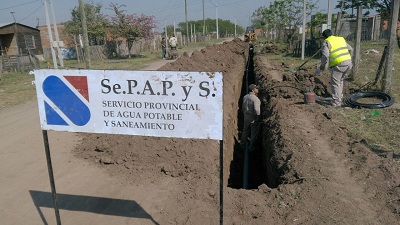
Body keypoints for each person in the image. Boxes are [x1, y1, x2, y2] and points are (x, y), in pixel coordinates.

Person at [316, 29, 353, 107]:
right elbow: (351, 49)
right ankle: (340, 98)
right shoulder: (340, 39)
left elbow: (325, 56)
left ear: (324, 37)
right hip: (348, 63)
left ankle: (336, 103)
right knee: (340, 81)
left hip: (340, 65)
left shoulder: (326, 42)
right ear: (332, 33)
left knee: (335, 83)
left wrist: (321, 67)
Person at [241, 84, 261, 152]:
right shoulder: (256, 99)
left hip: (246, 117)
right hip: (253, 118)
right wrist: (258, 117)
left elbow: (243, 108)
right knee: (253, 133)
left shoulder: (245, 97)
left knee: (245, 131)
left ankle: (242, 144)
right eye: (256, 88)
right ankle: (251, 147)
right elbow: (257, 110)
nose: (258, 89)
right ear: (253, 90)